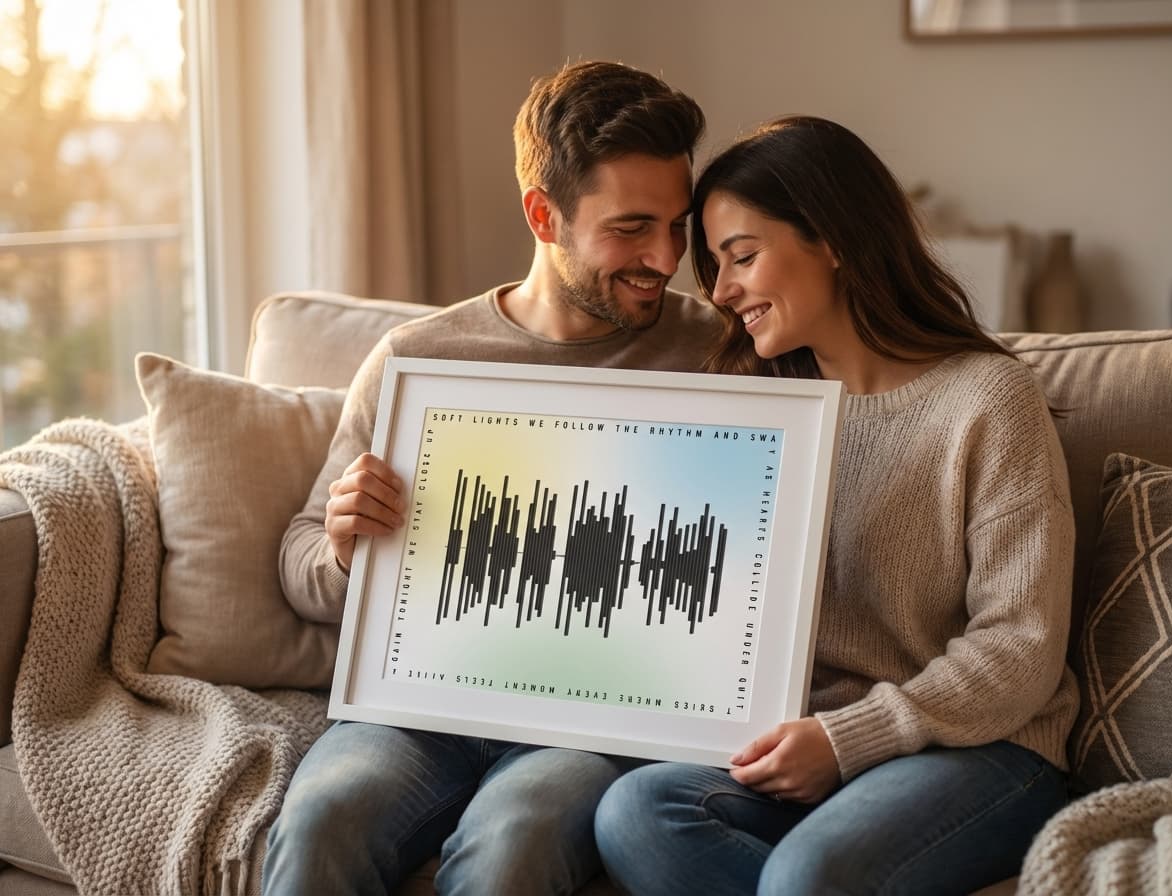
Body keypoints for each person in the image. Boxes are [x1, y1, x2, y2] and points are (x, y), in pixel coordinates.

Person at [261, 61, 719, 896]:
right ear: (543, 215)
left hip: (593, 724)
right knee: (324, 817)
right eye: (631, 228)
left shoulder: (722, 354)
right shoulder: (419, 360)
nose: (665, 258)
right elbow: (300, 569)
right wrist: (340, 543)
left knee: (517, 835)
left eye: (677, 225)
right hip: (419, 710)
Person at [593, 116, 1079, 896]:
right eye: (714, 267)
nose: (721, 292)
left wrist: (850, 738)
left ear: (834, 239)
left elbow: (1020, 649)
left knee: (809, 875)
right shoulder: (754, 410)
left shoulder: (988, 401)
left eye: (742, 257)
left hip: (980, 750)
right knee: (634, 811)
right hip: (802, 752)